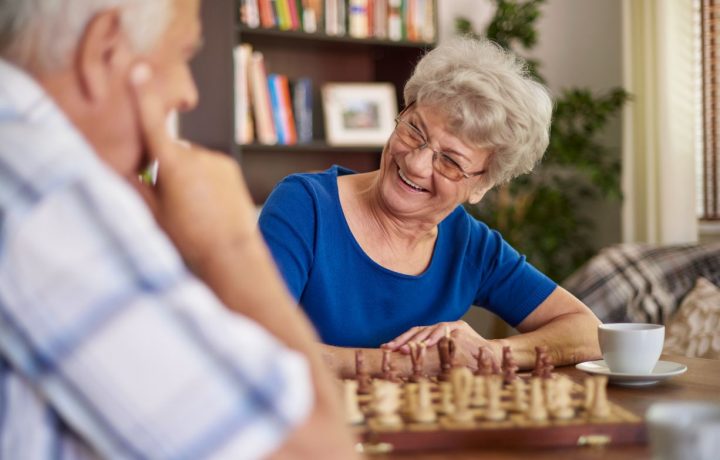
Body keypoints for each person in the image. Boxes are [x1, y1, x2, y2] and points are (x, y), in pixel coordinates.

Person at [0, 0, 357, 458]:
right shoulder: (51, 194)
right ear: (105, 49)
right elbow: (316, 451)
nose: (188, 94)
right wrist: (230, 244)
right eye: (184, 55)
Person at [259, 37, 602, 378]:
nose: (417, 163)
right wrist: (408, 363)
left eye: (450, 161)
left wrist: (487, 353)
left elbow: (589, 332)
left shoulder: (470, 246)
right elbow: (255, 345)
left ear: (481, 185)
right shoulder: (305, 207)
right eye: (414, 131)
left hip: (418, 430)